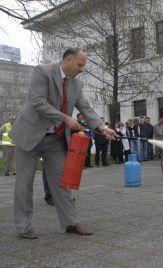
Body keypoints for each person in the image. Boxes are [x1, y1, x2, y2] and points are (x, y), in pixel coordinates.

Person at [9, 47, 118, 239]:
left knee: (63, 182)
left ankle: (70, 222)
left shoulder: (76, 84)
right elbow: (38, 102)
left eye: (83, 66)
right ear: (67, 60)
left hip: (54, 140)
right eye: (80, 65)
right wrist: (65, 118)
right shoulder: (43, 72)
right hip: (30, 135)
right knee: (24, 183)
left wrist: (102, 127)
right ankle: (24, 227)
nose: (82, 69)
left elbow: (85, 107)